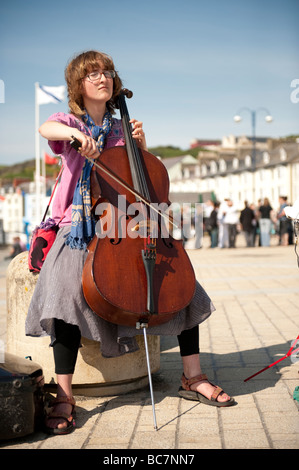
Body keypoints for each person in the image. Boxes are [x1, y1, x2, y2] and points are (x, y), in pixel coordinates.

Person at [25, 50, 234, 435]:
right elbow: (46, 129)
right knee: (63, 291)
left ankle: (193, 375)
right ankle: (65, 395)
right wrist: (75, 136)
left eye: (106, 72)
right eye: (93, 74)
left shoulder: (124, 129)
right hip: (82, 225)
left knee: (183, 288)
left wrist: (142, 147)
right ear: (79, 84)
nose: (102, 78)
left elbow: (144, 184)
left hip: (129, 222)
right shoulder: (70, 122)